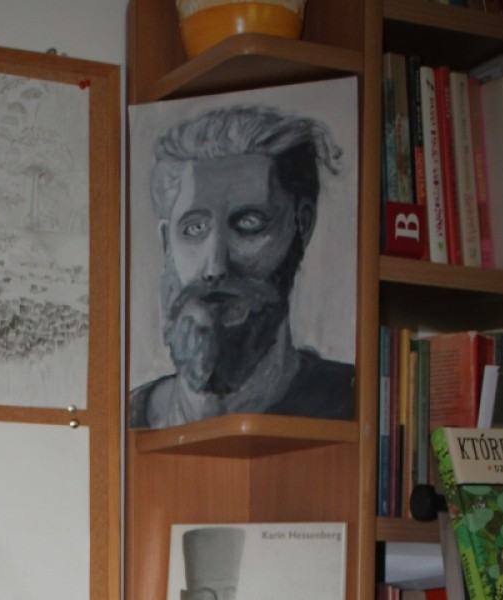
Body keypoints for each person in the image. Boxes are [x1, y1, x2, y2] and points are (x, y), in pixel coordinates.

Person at [130, 103, 355, 429]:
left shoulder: (352, 403)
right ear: (167, 243)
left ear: (301, 225)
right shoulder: (127, 419)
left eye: (250, 223)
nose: (216, 266)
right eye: (194, 229)